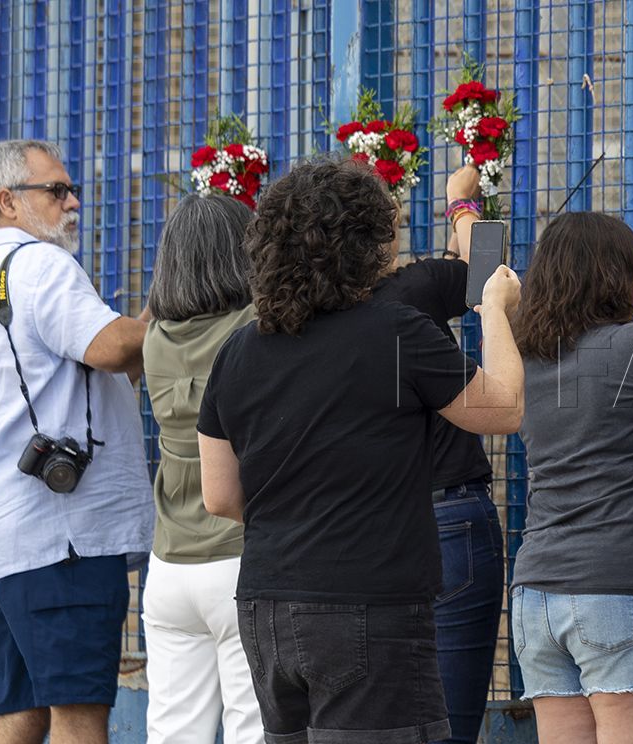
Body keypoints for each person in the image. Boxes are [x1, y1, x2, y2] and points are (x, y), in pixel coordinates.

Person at [195, 157, 525, 743]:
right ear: (363, 244)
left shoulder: (239, 351)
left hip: (266, 601)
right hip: (369, 602)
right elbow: (502, 409)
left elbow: (219, 495)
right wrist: (495, 312)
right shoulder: (394, 329)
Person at [0, 139, 153, 744]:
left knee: (20, 715)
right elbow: (114, 347)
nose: (72, 202)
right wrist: (176, 308)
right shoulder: (42, 266)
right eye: (57, 190)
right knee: (79, 712)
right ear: (8, 201)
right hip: (60, 540)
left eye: (73, 191)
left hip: (6, 539)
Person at [508, 211, 633, 744]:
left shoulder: (528, 361)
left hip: (538, 597)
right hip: (628, 588)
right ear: (618, 275)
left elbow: (603, 385)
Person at [365, 165, 504, 744]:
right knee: (450, 723)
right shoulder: (409, 294)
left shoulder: (300, 325)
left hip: (368, 531)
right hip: (446, 520)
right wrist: (459, 203)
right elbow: (490, 267)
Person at [140, 194, 262, 744]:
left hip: (169, 566)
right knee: (252, 729)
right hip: (236, 557)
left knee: (172, 733)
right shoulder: (252, 330)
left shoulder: (154, 341)